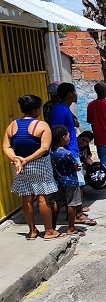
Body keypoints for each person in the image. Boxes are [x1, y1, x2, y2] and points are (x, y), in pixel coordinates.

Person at [2, 95, 63, 240]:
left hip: (20, 168)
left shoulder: (12, 125)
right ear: (36, 110)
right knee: (43, 199)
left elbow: (6, 146)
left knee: (26, 198)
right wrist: (26, 160)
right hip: (40, 165)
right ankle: (49, 231)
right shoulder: (42, 126)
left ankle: (32, 231)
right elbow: (44, 148)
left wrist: (17, 159)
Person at [49, 82, 89, 226]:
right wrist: (64, 152)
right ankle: (77, 214)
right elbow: (56, 131)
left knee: (75, 186)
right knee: (74, 187)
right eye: (74, 91)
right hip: (68, 152)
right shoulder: (60, 111)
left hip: (70, 150)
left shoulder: (64, 109)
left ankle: (76, 212)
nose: (76, 94)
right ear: (70, 94)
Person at [50, 125, 92, 237]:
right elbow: (75, 166)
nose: (70, 137)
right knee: (72, 204)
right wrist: (77, 167)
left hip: (58, 181)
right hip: (71, 182)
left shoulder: (51, 152)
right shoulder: (67, 153)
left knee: (57, 203)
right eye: (68, 135)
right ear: (63, 137)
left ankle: (52, 226)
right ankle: (71, 228)